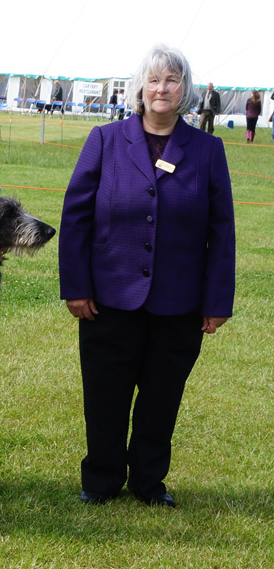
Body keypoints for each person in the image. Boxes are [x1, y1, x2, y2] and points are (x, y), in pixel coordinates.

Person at [58, 45, 235, 508]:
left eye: (172, 80)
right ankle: (100, 480)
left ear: (185, 91)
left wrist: (217, 303)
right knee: (105, 397)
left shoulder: (209, 150)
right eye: (154, 80)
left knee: (161, 400)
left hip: (179, 303)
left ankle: (148, 483)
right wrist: (75, 287)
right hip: (109, 300)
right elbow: (76, 218)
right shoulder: (105, 139)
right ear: (140, 87)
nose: (162, 89)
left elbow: (222, 231)